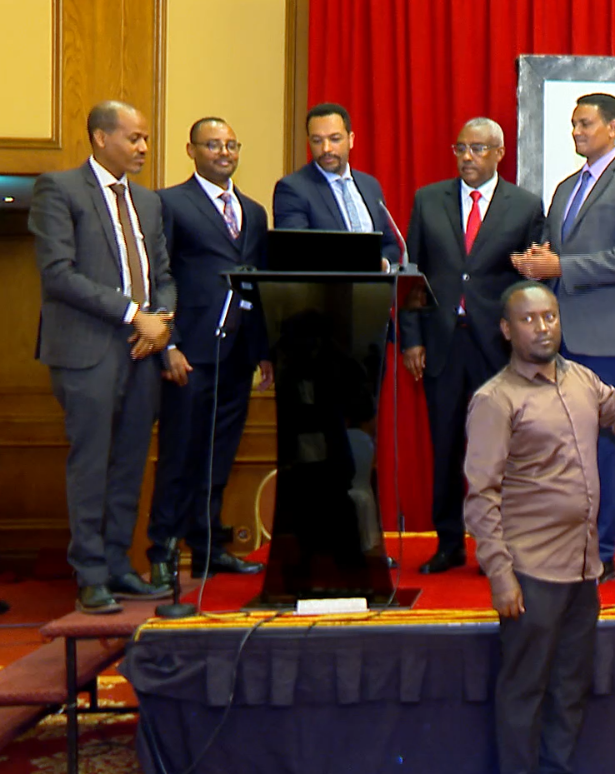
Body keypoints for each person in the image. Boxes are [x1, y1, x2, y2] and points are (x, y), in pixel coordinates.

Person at [463, 282, 615, 774]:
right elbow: (481, 496)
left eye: (549, 316)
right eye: (528, 319)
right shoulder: (495, 400)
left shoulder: (582, 379)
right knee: (524, 692)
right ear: (507, 330)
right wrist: (500, 575)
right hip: (531, 574)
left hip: (584, 571)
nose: (543, 327)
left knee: (570, 691)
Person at [31, 101, 176, 613]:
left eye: (145, 139)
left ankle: (118, 566)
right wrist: (135, 314)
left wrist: (161, 321)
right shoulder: (59, 189)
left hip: (144, 351)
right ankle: (90, 575)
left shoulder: (148, 202)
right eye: (134, 138)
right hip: (87, 350)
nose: (143, 147)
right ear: (100, 137)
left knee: (130, 464)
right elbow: (58, 274)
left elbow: (163, 274)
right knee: (91, 464)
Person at [513, 92, 615, 583]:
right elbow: (557, 251)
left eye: (585, 124)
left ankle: (602, 553)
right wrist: (538, 261)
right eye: (573, 124)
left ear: (612, 127)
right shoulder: (566, 187)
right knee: (560, 448)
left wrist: (561, 266)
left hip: (608, 340)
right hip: (561, 341)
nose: (576, 132)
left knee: (601, 451)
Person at [402, 117, 545, 574]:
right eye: (461, 148)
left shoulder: (525, 206)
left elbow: (531, 282)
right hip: (442, 343)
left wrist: (525, 341)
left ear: (499, 153)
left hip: (496, 347)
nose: (467, 157)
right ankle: (448, 543)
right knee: (445, 447)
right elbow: (412, 275)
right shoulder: (428, 200)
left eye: (478, 149)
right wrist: (412, 338)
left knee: (497, 452)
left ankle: (496, 546)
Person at [146, 117, 269, 588]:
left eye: (231, 145)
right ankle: (162, 551)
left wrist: (263, 350)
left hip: (238, 355)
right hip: (189, 354)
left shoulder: (254, 211)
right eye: (213, 145)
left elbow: (257, 285)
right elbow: (159, 277)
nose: (224, 153)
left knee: (219, 457)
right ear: (191, 150)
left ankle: (208, 549)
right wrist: (169, 344)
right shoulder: (169, 203)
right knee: (179, 456)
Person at [272, 102, 400, 268]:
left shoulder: (370, 185)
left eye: (335, 139)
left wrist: (383, 263)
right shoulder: (293, 189)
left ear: (351, 140)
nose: (326, 149)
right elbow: (295, 252)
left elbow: (390, 244)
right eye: (317, 141)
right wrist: (360, 265)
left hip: (374, 284)